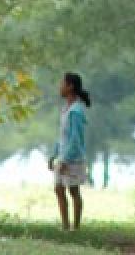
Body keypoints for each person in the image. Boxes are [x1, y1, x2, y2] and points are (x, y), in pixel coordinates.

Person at [48, 72, 91, 231]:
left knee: (73, 191)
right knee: (58, 189)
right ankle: (65, 226)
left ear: (70, 86)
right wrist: (54, 155)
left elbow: (75, 138)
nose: (60, 87)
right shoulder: (66, 109)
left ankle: (76, 227)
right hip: (62, 156)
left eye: (62, 84)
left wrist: (65, 159)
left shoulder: (76, 111)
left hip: (73, 158)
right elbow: (62, 136)